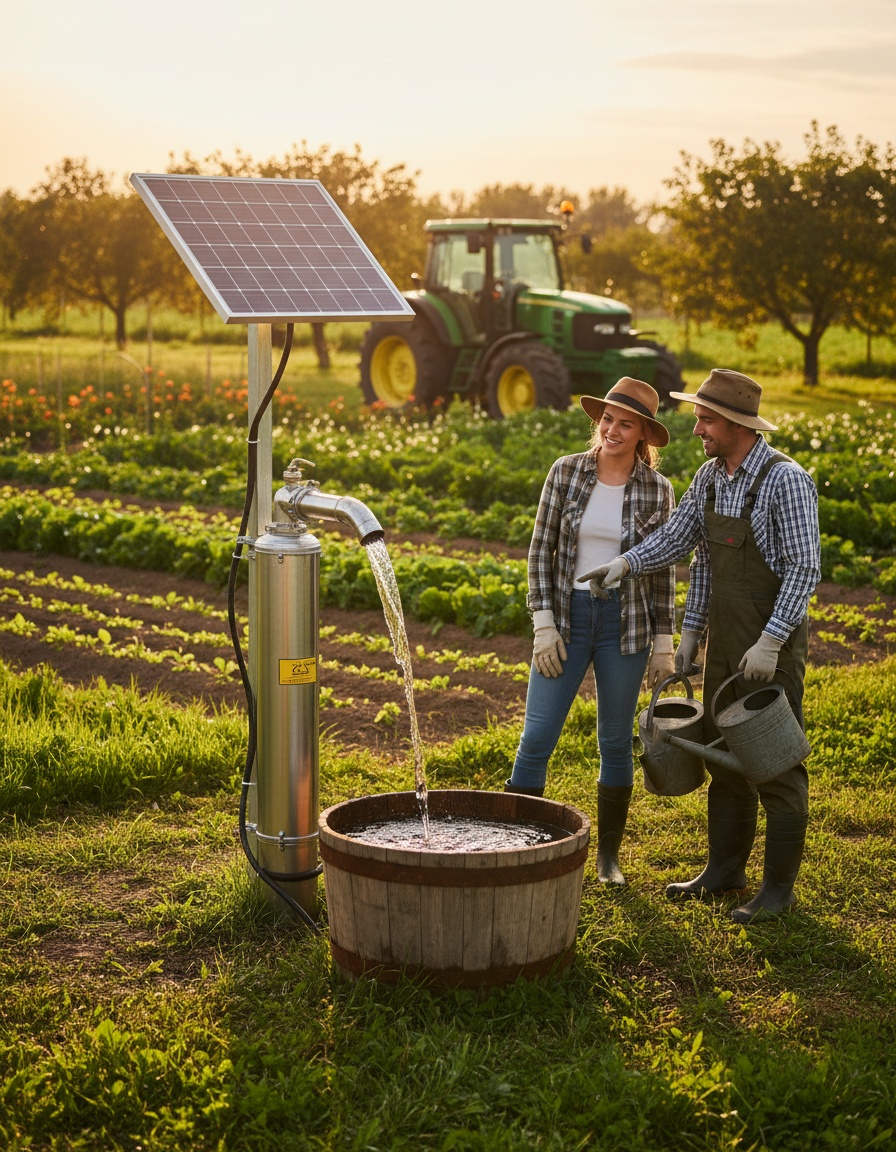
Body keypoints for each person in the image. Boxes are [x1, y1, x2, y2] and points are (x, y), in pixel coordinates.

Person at [581, 369, 820, 923]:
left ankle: (778, 891)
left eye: (706, 420)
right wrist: (632, 570)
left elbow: (804, 568)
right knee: (723, 751)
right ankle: (724, 870)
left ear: (737, 424)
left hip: (769, 643)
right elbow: (685, 543)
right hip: (726, 640)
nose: (697, 431)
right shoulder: (713, 477)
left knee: (772, 757)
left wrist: (772, 640)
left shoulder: (784, 480)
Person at [505, 377, 677, 886]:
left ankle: (607, 859)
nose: (612, 430)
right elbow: (540, 551)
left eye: (626, 423)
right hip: (569, 618)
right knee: (537, 735)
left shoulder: (656, 488)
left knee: (614, 742)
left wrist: (663, 644)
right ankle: (515, 845)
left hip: (626, 625)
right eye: (607, 420)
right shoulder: (566, 473)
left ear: (643, 432)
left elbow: (663, 568)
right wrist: (543, 623)